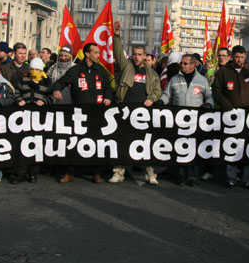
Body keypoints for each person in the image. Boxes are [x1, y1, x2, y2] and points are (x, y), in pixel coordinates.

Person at [52, 43, 114, 184]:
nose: (98, 55)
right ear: (87, 54)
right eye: (96, 52)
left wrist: (108, 97)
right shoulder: (75, 70)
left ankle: (96, 173)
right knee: (75, 143)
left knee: (96, 144)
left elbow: (108, 88)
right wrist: (56, 89)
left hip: (97, 114)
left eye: (98, 52)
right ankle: (70, 173)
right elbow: (60, 82)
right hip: (78, 114)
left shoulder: (101, 71)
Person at [108, 21, 161, 185]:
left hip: (143, 114)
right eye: (135, 54)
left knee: (145, 143)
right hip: (125, 111)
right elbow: (117, 53)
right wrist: (117, 35)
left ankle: (150, 173)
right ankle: (119, 173)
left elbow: (157, 91)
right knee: (123, 142)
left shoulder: (151, 74)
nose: (137, 57)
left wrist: (150, 100)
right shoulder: (126, 67)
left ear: (145, 56)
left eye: (140, 54)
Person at [212, 45, 249, 190]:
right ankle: (231, 178)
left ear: (245, 57)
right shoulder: (224, 72)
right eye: (237, 57)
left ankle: (248, 179)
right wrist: (228, 107)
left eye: (242, 57)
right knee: (231, 147)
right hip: (231, 115)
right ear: (232, 57)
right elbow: (217, 92)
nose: (239, 60)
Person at [158, 54, 213, 186]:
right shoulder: (175, 79)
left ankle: (193, 177)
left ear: (193, 65)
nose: (182, 65)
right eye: (182, 63)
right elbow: (167, 95)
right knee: (181, 149)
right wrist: (161, 101)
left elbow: (209, 97)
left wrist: (208, 104)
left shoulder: (202, 80)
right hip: (180, 120)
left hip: (196, 121)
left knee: (194, 149)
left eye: (185, 63)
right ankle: (180, 176)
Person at [9, 58, 51, 184]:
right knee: (23, 145)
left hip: (40, 118)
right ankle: (20, 173)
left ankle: (33, 173)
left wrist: (44, 101)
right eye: (33, 69)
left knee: (37, 145)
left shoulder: (47, 82)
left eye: (38, 70)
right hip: (25, 117)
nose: (35, 72)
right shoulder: (23, 79)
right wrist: (19, 100)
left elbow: (52, 95)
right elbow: (16, 91)